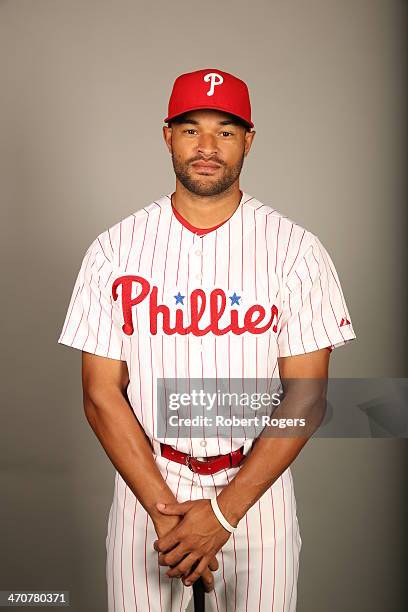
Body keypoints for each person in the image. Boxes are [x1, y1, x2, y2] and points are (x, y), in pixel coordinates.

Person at [57, 67, 357, 611]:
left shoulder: (296, 251)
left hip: (256, 487)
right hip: (146, 481)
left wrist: (221, 515)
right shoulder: (114, 249)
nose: (208, 146)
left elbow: (307, 397)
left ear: (248, 140)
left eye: (225, 129)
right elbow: (101, 393)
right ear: (168, 134)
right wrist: (166, 512)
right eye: (192, 128)